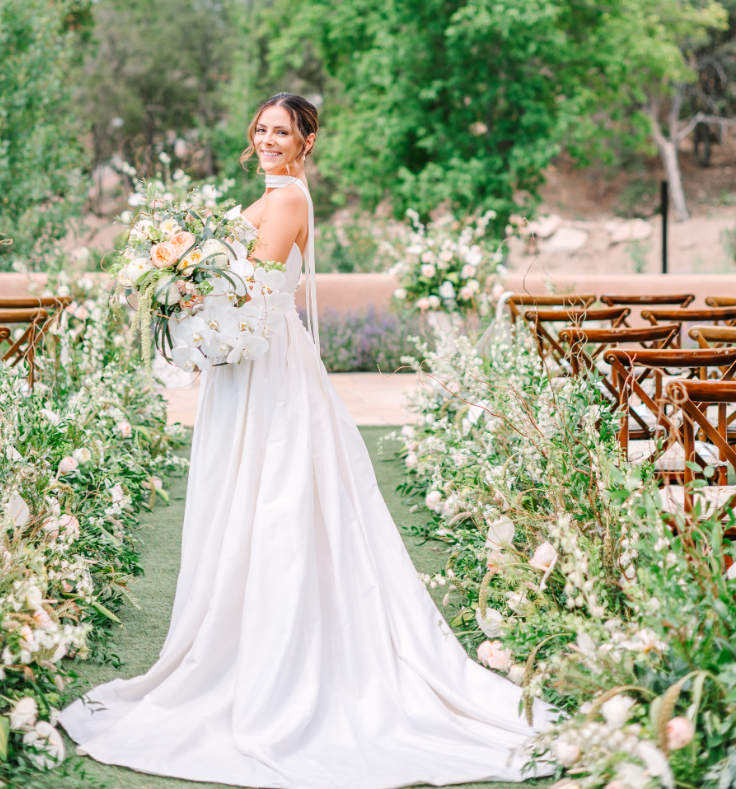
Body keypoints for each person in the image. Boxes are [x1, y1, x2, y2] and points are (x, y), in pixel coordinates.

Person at [59, 92, 550, 787]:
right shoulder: (267, 196)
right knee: (253, 501)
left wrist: (184, 288)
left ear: (305, 142)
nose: (267, 139)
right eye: (260, 129)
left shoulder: (287, 200)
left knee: (276, 503)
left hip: (269, 372)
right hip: (246, 367)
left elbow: (252, 294)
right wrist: (175, 280)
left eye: (281, 131)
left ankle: (275, 666)